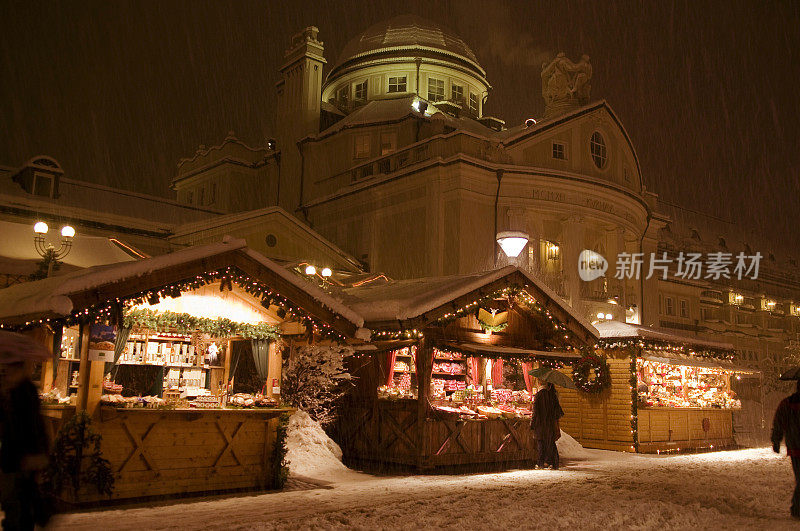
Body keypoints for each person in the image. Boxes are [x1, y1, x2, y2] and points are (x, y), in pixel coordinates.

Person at [0, 360, 51, 530]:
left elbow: (32, 426)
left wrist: (38, 454)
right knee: (17, 504)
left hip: (24, 457)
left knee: (19, 505)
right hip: (16, 457)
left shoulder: (24, 391)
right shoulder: (12, 390)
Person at [772, 379, 800, 519]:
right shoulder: (787, 404)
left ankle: (797, 508)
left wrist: (776, 440)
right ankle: (796, 508)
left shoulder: (787, 403)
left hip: (795, 447)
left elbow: (779, 422)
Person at [531, 381, 564, 469]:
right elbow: (558, 411)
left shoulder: (539, 395)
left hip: (541, 423)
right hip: (550, 423)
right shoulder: (552, 395)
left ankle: (541, 462)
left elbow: (535, 411)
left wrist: (532, 424)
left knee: (541, 443)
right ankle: (552, 462)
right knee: (550, 443)